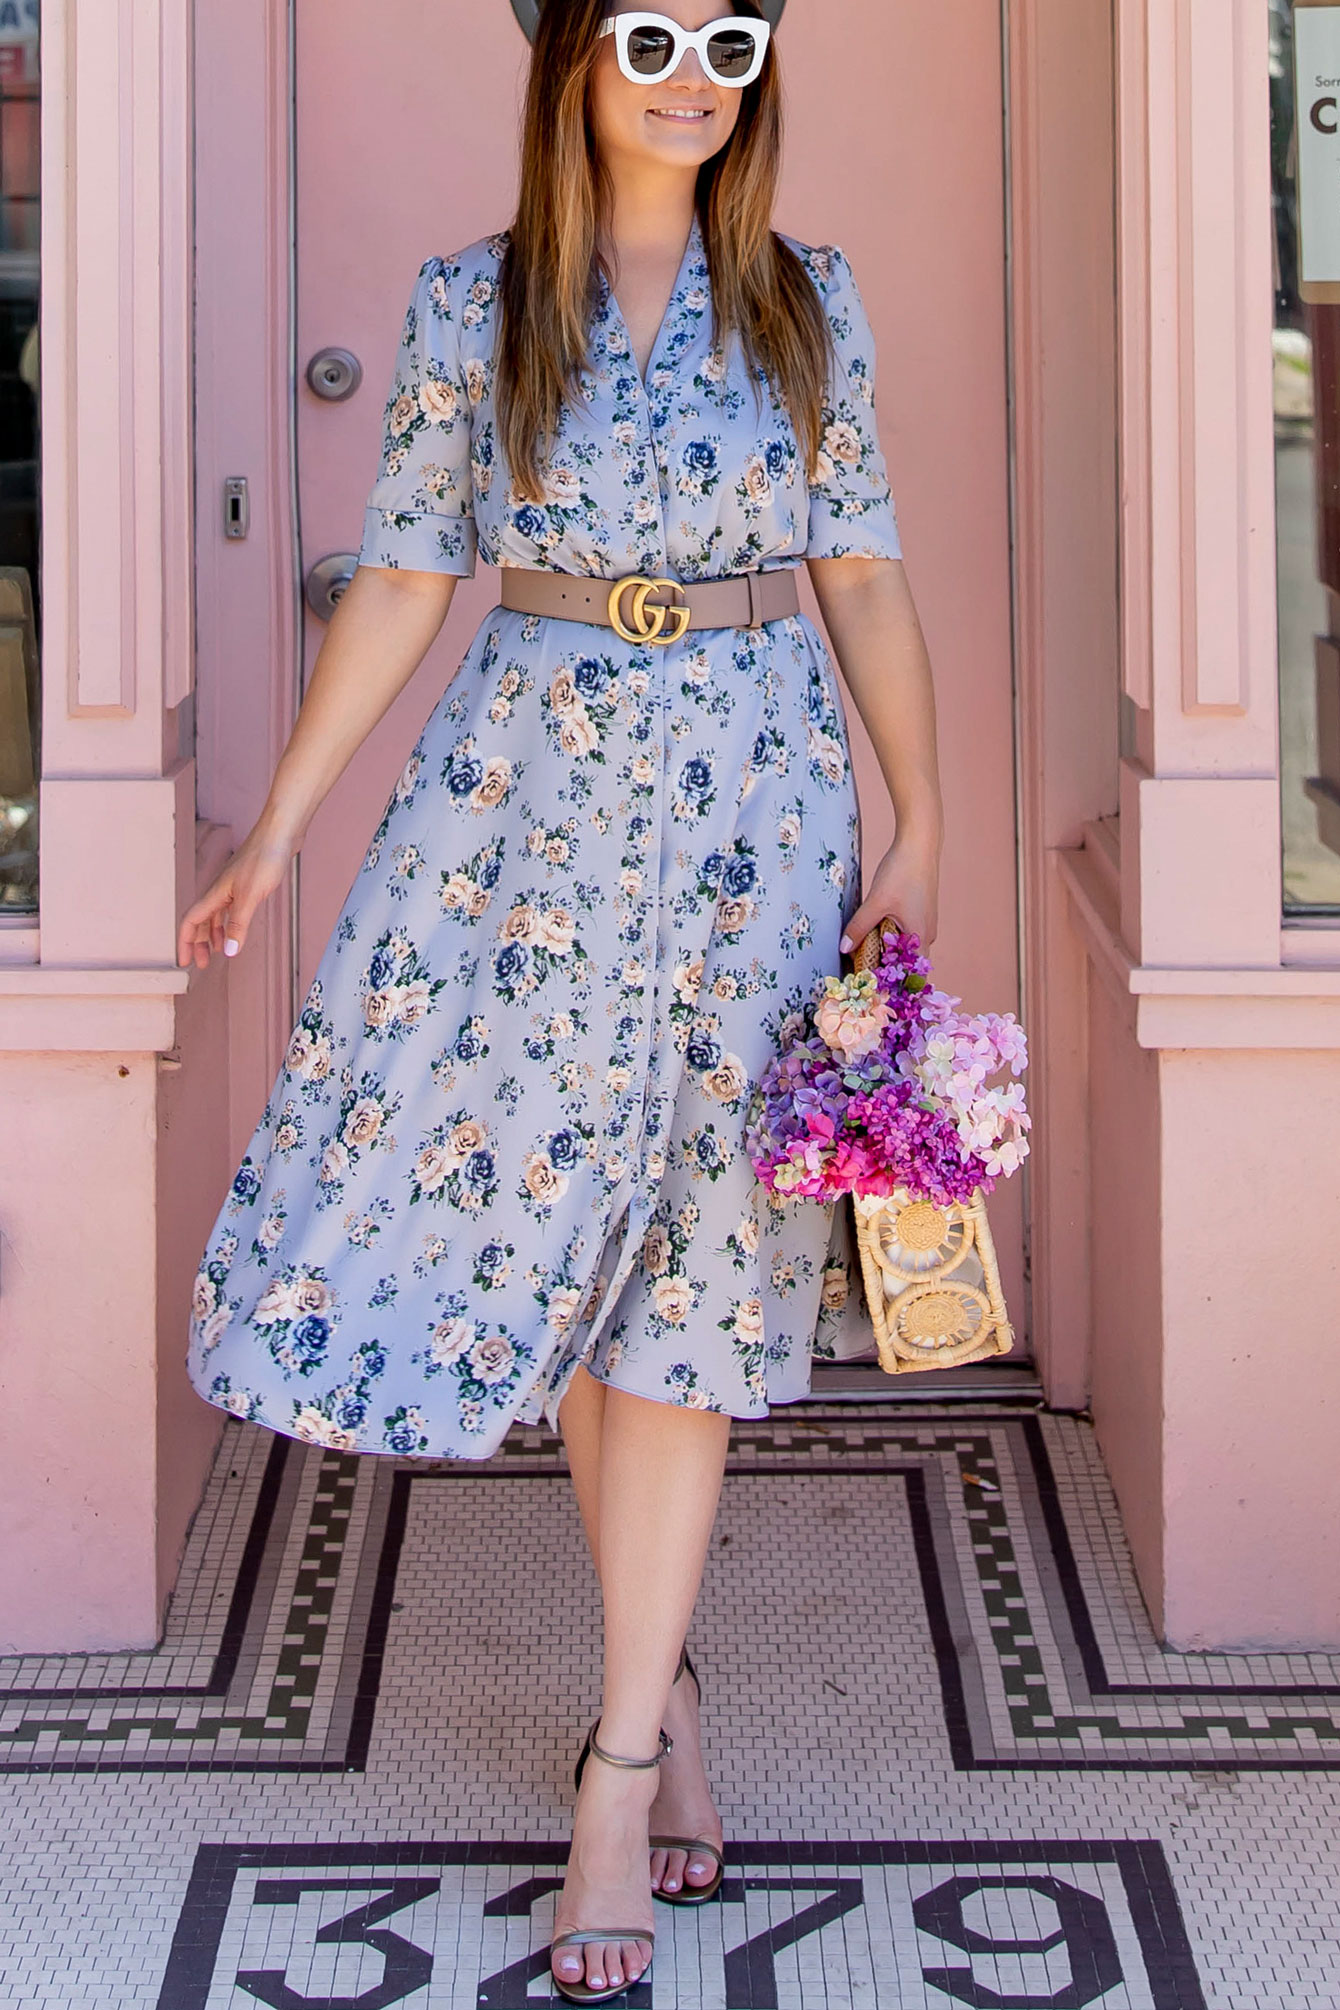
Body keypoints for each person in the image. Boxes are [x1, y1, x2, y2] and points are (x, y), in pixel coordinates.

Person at [177, 0, 943, 1998]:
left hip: (761, 817)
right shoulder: (470, 301)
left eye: (734, 44)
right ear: (573, 61)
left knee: (696, 1271)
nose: (696, 79)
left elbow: (855, 557)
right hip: (525, 821)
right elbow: (412, 571)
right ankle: (662, 1688)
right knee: (592, 1272)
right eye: (656, 37)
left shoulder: (805, 296)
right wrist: (277, 824)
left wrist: (917, 813)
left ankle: (618, 1764)